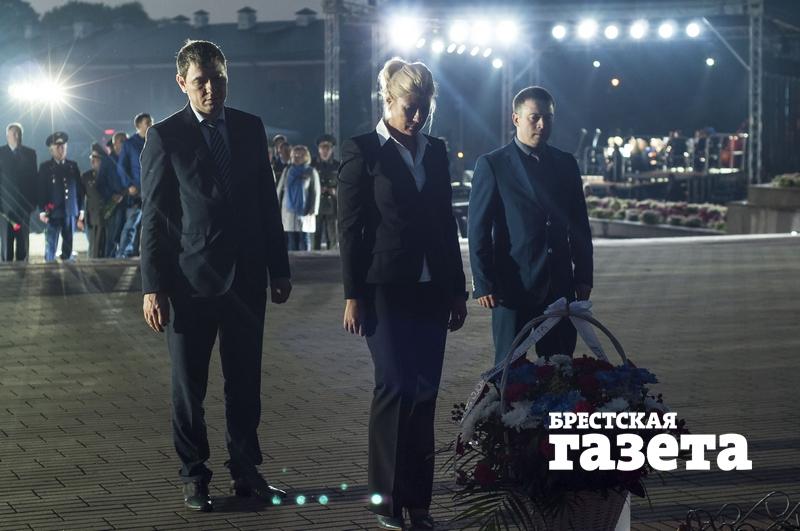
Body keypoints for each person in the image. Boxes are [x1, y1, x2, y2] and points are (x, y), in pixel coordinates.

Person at [140, 39, 291, 513]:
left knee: (244, 383)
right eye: (201, 81)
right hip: (189, 284)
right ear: (182, 83)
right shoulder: (165, 136)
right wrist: (153, 287)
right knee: (189, 388)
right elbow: (154, 218)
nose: (211, 89)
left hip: (246, 280)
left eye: (218, 79)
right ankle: (194, 474)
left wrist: (279, 268)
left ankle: (246, 471)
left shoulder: (249, 127)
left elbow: (267, 202)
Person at [338, 57, 467, 531]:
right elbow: (350, 229)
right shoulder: (362, 150)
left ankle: (418, 502)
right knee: (394, 387)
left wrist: (457, 289)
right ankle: (386, 502)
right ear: (388, 100)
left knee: (425, 392)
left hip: (433, 290)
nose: (416, 117)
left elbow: (446, 224)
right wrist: (353, 294)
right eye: (408, 108)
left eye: (423, 109)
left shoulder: (435, 151)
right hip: (384, 289)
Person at [467, 86, 593, 365]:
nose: (542, 125)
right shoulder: (493, 165)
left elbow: (579, 226)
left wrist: (584, 275)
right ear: (516, 119)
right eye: (534, 117)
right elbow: (478, 229)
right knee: (510, 370)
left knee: (561, 369)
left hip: (559, 288)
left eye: (548, 118)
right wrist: (483, 282)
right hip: (512, 288)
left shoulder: (566, 163)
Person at [38, 132, 84, 262]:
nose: (61, 149)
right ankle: (49, 267)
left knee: (68, 244)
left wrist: (81, 208)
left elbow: (79, 189)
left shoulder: (72, 166)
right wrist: (42, 210)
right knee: (51, 244)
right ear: (51, 149)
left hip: (70, 210)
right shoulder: (46, 167)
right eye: (57, 146)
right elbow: (41, 190)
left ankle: (67, 265)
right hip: (53, 211)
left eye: (63, 146)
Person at [0, 123, 38, 262]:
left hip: (24, 208)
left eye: (19, 133)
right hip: (6, 209)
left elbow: (34, 180)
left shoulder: (30, 154)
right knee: (7, 247)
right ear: (7, 136)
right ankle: (6, 271)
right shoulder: (1, 153)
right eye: (14, 133)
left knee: (23, 247)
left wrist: (32, 205)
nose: (17, 136)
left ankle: (23, 270)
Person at [116, 113, 152, 258]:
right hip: (136, 192)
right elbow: (121, 167)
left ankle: (146, 254)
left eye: (151, 122)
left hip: (152, 191)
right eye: (147, 123)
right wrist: (129, 185)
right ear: (138, 126)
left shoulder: (154, 142)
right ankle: (123, 253)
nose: (150, 125)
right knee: (131, 224)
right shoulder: (129, 144)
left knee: (150, 225)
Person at [276, 145, 320, 251]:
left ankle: (306, 260)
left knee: (304, 238)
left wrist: (313, 209)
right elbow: (279, 189)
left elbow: (315, 191)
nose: (297, 157)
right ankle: (292, 261)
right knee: (291, 239)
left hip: (305, 211)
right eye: (294, 155)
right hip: (288, 211)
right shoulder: (288, 171)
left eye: (300, 155)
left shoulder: (311, 171)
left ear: (306, 157)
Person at [311, 133, 339, 250]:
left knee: (332, 235)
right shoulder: (312, 164)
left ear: (332, 150)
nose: (325, 151)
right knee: (315, 234)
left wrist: (335, 191)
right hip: (316, 204)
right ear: (319, 149)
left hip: (331, 204)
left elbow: (342, 184)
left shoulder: (337, 165)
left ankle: (332, 257)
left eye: (328, 148)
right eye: (323, 147)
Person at [80, 145, 107, 258]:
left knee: (105, 248)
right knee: (93, 248)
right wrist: (80, 217)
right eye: (91, 157)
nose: (92, 160)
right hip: (91, 218)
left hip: (106, 216)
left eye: (95, 157)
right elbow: (81, 197)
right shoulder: (86, 176)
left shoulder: (108, 175)